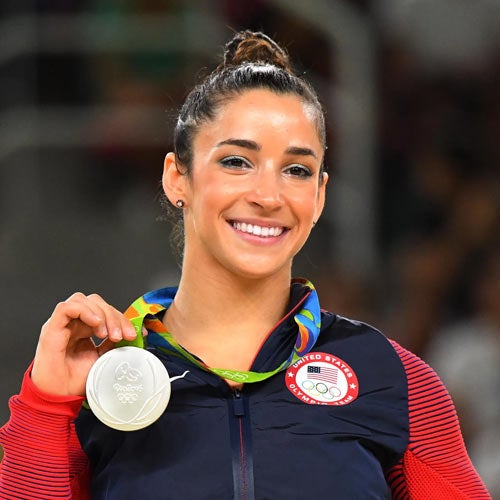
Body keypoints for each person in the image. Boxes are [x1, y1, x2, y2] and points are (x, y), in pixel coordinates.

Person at [0, 30, 491, 499]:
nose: (268, 195)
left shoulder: (394, 378)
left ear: (319, 197)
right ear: (178, 178)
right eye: (236, 161)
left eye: (297, 170)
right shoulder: (101, 379)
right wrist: (46, 407)